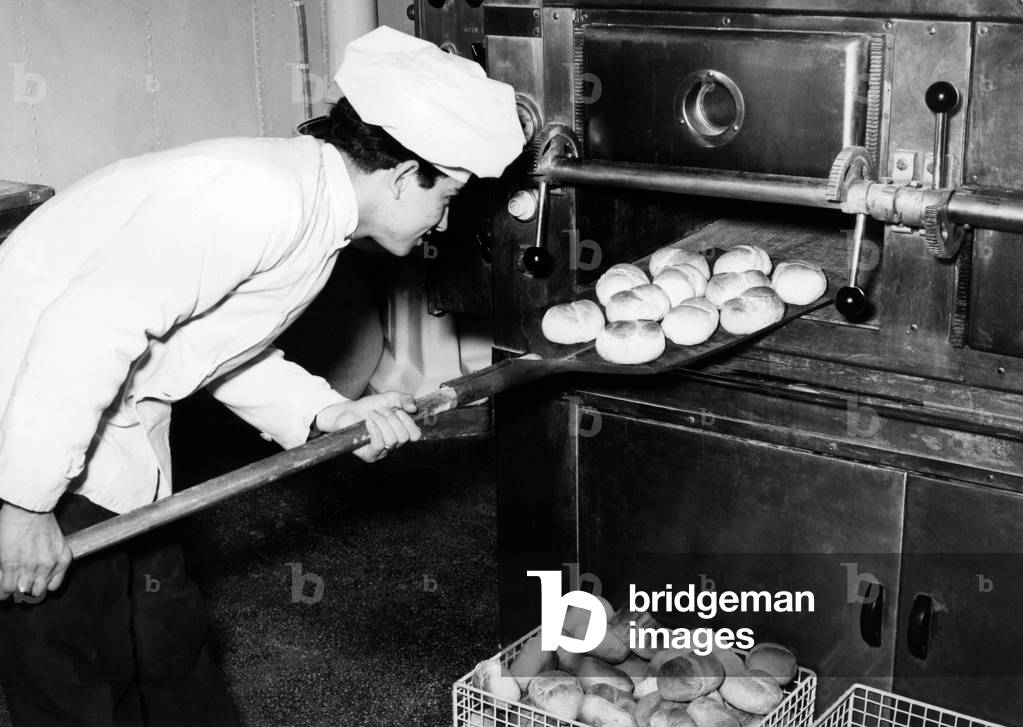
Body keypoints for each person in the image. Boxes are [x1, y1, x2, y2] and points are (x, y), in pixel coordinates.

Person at [0, 26, 523, 726]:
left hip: (104, 419)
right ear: (403, 174)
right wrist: (27, 505)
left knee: (165, 640)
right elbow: (86, 332)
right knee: (74, 667)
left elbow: (205, 344)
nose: (442, 219)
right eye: (448, 195)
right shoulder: (260, 197)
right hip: (30, 422)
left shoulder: (310, 205)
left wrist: (322, 413)